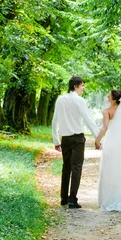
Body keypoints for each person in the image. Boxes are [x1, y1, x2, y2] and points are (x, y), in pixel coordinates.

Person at [51, 76, 100, 209]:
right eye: (82, 85)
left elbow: (54, 120)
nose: (84, 88)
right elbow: (88, 119)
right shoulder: (79, 101)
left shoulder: (60, 100)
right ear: (75, 86)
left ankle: (63, 198)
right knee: (76, 167)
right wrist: (98, 137)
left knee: (66, 167)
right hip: (77, 139)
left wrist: (56, 140)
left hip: (65, 139)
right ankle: (72, 199)